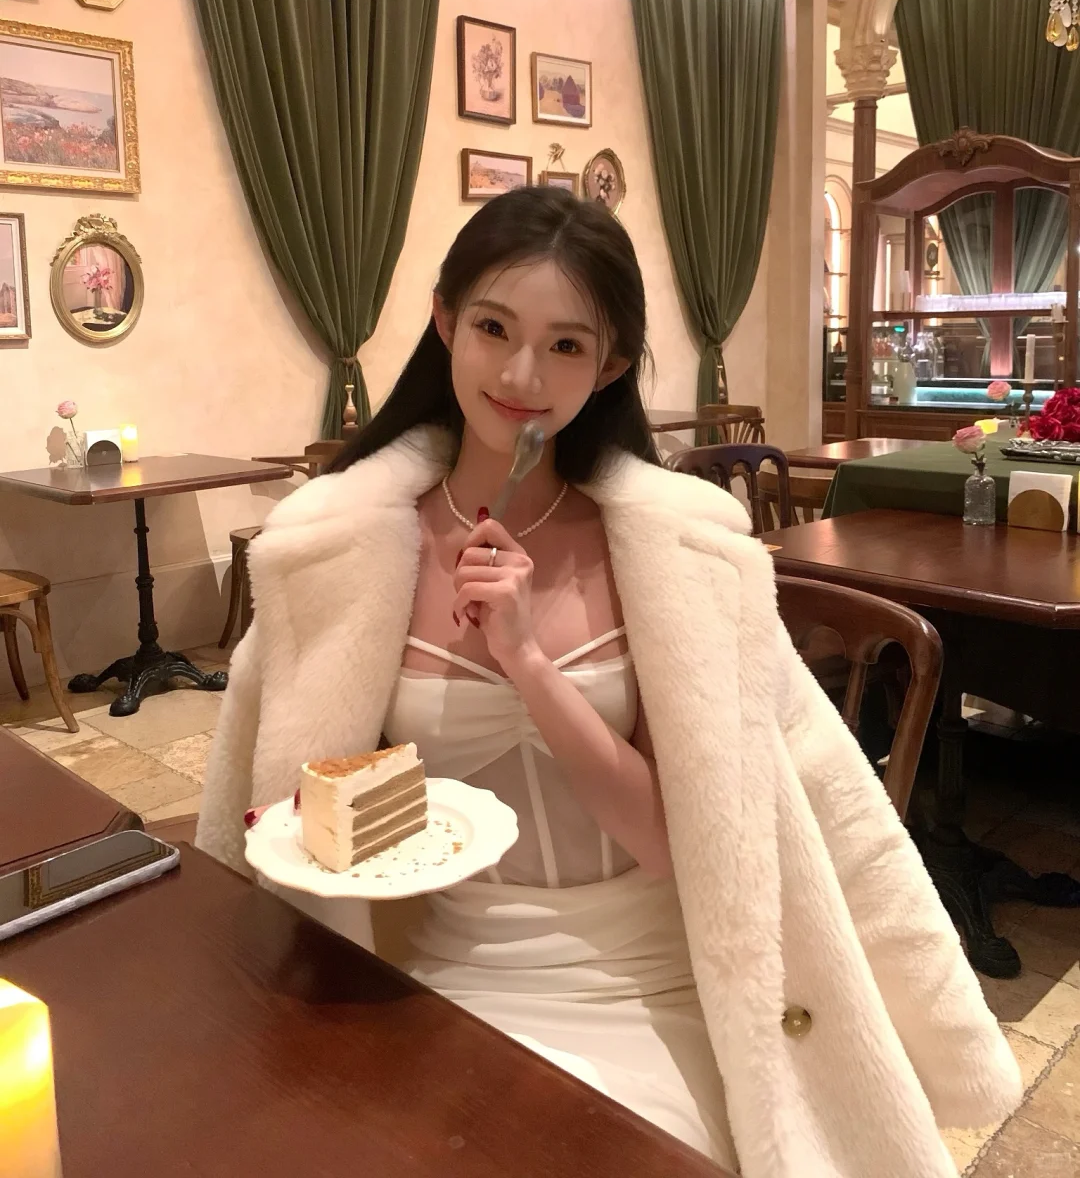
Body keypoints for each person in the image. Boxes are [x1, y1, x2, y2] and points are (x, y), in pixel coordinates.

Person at [197, 187, 1021, 1178]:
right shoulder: (339, 549)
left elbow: (677, 839)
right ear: (444, 321)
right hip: (438, 973)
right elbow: (279, 788)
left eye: (566, 346)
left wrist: (528, 662)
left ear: (613, 364)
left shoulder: (678, 553)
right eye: (494, 328)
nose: (520, 375)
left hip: (648, 984)